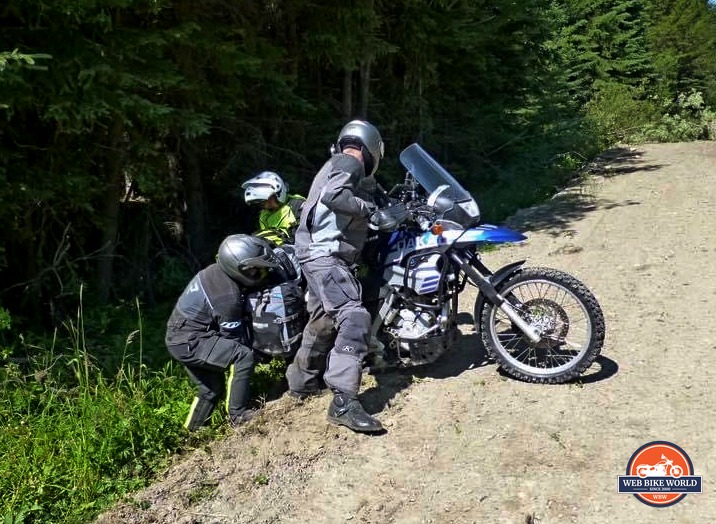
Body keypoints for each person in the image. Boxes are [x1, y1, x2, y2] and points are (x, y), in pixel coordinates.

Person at [285, 119, 386, 433]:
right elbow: (334, 196)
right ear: (371, 147)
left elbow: (350, 198)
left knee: (323, 320)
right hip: (324, 256)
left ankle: (300, 384)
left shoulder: (335, 164)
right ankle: (343, 401)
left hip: (312, 254)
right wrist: (370, 212)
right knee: (353, 316)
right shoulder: (349, 161)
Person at [165, 234, 285, 431]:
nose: (261, 274)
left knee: (210, 390)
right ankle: (238, 415)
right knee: (243, 356)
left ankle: (192, 432)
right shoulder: (227, 297)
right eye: (256, 271)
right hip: (190, 341)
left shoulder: (217, 272)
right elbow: (236, 340)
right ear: (238, 268)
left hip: (179, 337)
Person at [242, 171, 305, 246]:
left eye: (267, 200)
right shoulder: (264, 215)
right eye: (261, 202)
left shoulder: (298, 205)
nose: (265, 205)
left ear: (278, 194)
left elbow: (305, 235)